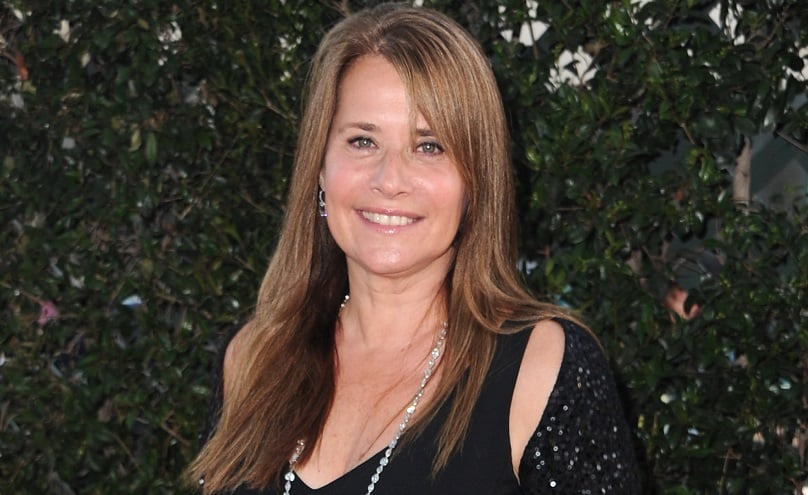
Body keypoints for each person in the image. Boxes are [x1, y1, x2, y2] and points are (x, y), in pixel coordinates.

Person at [188, 3, 642, 494]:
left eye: (429, 146)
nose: (389, 180)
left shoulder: (542, 368)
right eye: (363, 141)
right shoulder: (253, 359)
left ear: (477, 181)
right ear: (320, 167)